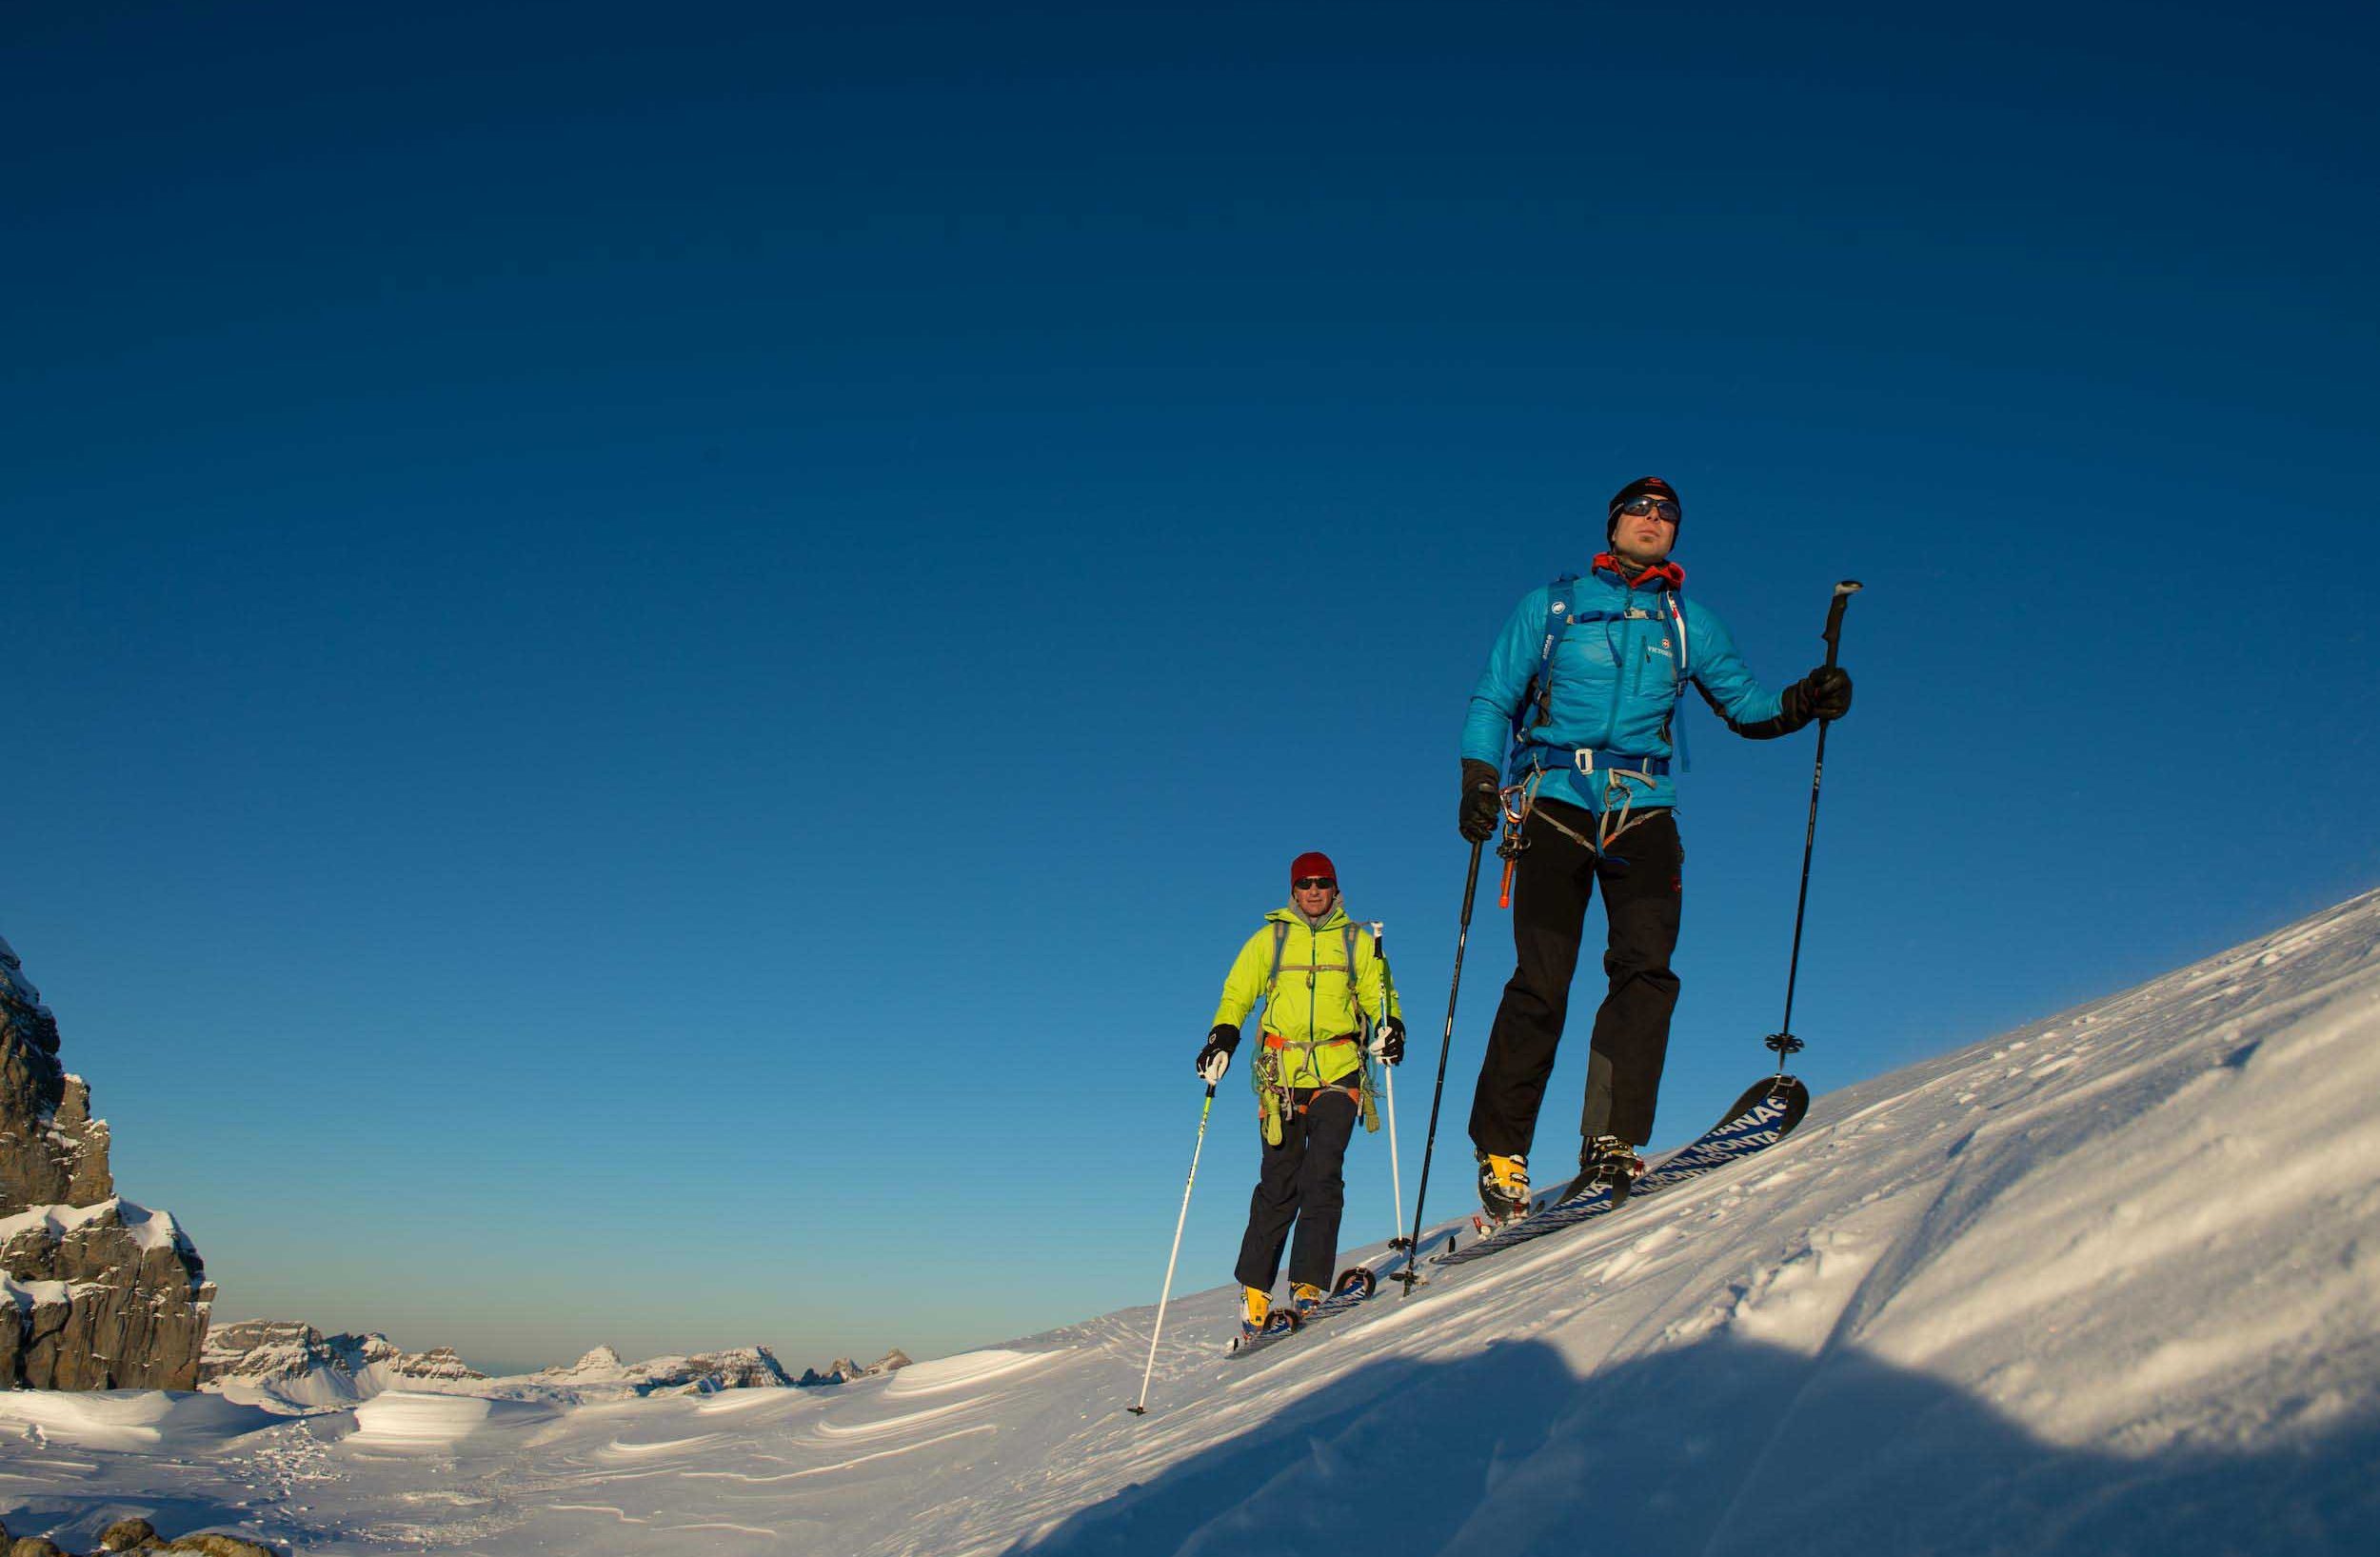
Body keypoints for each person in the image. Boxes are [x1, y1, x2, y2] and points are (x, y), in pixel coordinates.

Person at [1455, 476, 1853, 1222]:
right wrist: (1480, 776)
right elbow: (1493, 699)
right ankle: (1502, 1150)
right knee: (1543, 978)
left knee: (1646, 972)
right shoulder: (1552, 607)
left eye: (1668, 513)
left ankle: (1610, 1137)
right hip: (1552, 803)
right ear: (1612, 523)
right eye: (1640, 508)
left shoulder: (1687, 623)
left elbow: (1746, 705)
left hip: (1644, 809)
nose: (1653, 519)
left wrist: (1806, 698)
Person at [1196, 851, 1404, 1336]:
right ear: (1293, 890)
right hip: (1281, 1076)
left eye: (1323, 883)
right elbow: (1237, 992)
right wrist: (1222, 1036)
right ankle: (1255, 1290)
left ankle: (1309, 1284)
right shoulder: (1271, 939)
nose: (1314, 890)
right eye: (1305, 883)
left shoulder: (1358, 942)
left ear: (1335, 889)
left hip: (1340, 1069)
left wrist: (1392, 1026)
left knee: (1324, 1172)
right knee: (1279, 1181)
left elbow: (1381, 993)